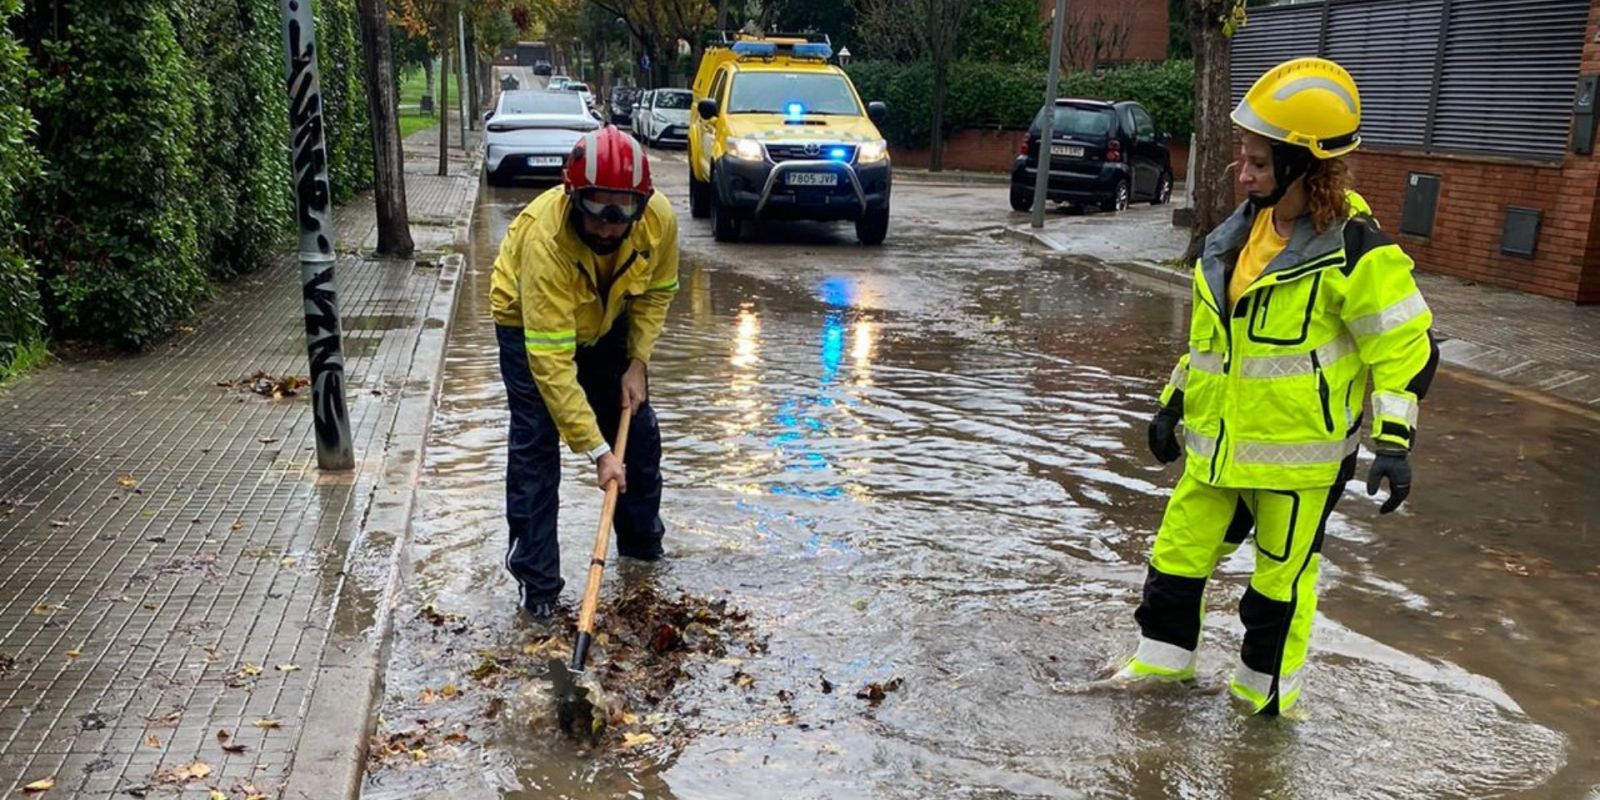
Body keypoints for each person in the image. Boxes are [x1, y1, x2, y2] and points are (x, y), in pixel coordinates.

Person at [1122, 58, 1439, 715]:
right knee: (1173, 564)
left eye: (1260, 163)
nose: (1245, 174)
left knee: (1276, 593)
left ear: (1307, 167)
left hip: (1298, 465)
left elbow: (1408, 349)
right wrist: (1172, 403)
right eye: (1245, 159)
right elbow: (1215, 346)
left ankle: (1261, 714)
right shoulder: (1237, 237)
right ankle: (1158, 682)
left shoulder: (1357, 253)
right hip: (1217, 453)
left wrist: (1394, 443)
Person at [489, 126, 680, 618]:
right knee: (535, 447)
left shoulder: (659, 222)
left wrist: (637, 361)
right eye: (596, 208)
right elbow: (551, 365)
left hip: (609, 316)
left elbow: (657, 292)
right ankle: (539, 589)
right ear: (574, 196)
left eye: (622, 211)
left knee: (637, 431)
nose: (607, 226)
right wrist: (596, 452)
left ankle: (642, 554)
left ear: (642, 203)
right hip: (529, 322)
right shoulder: (544, 242)